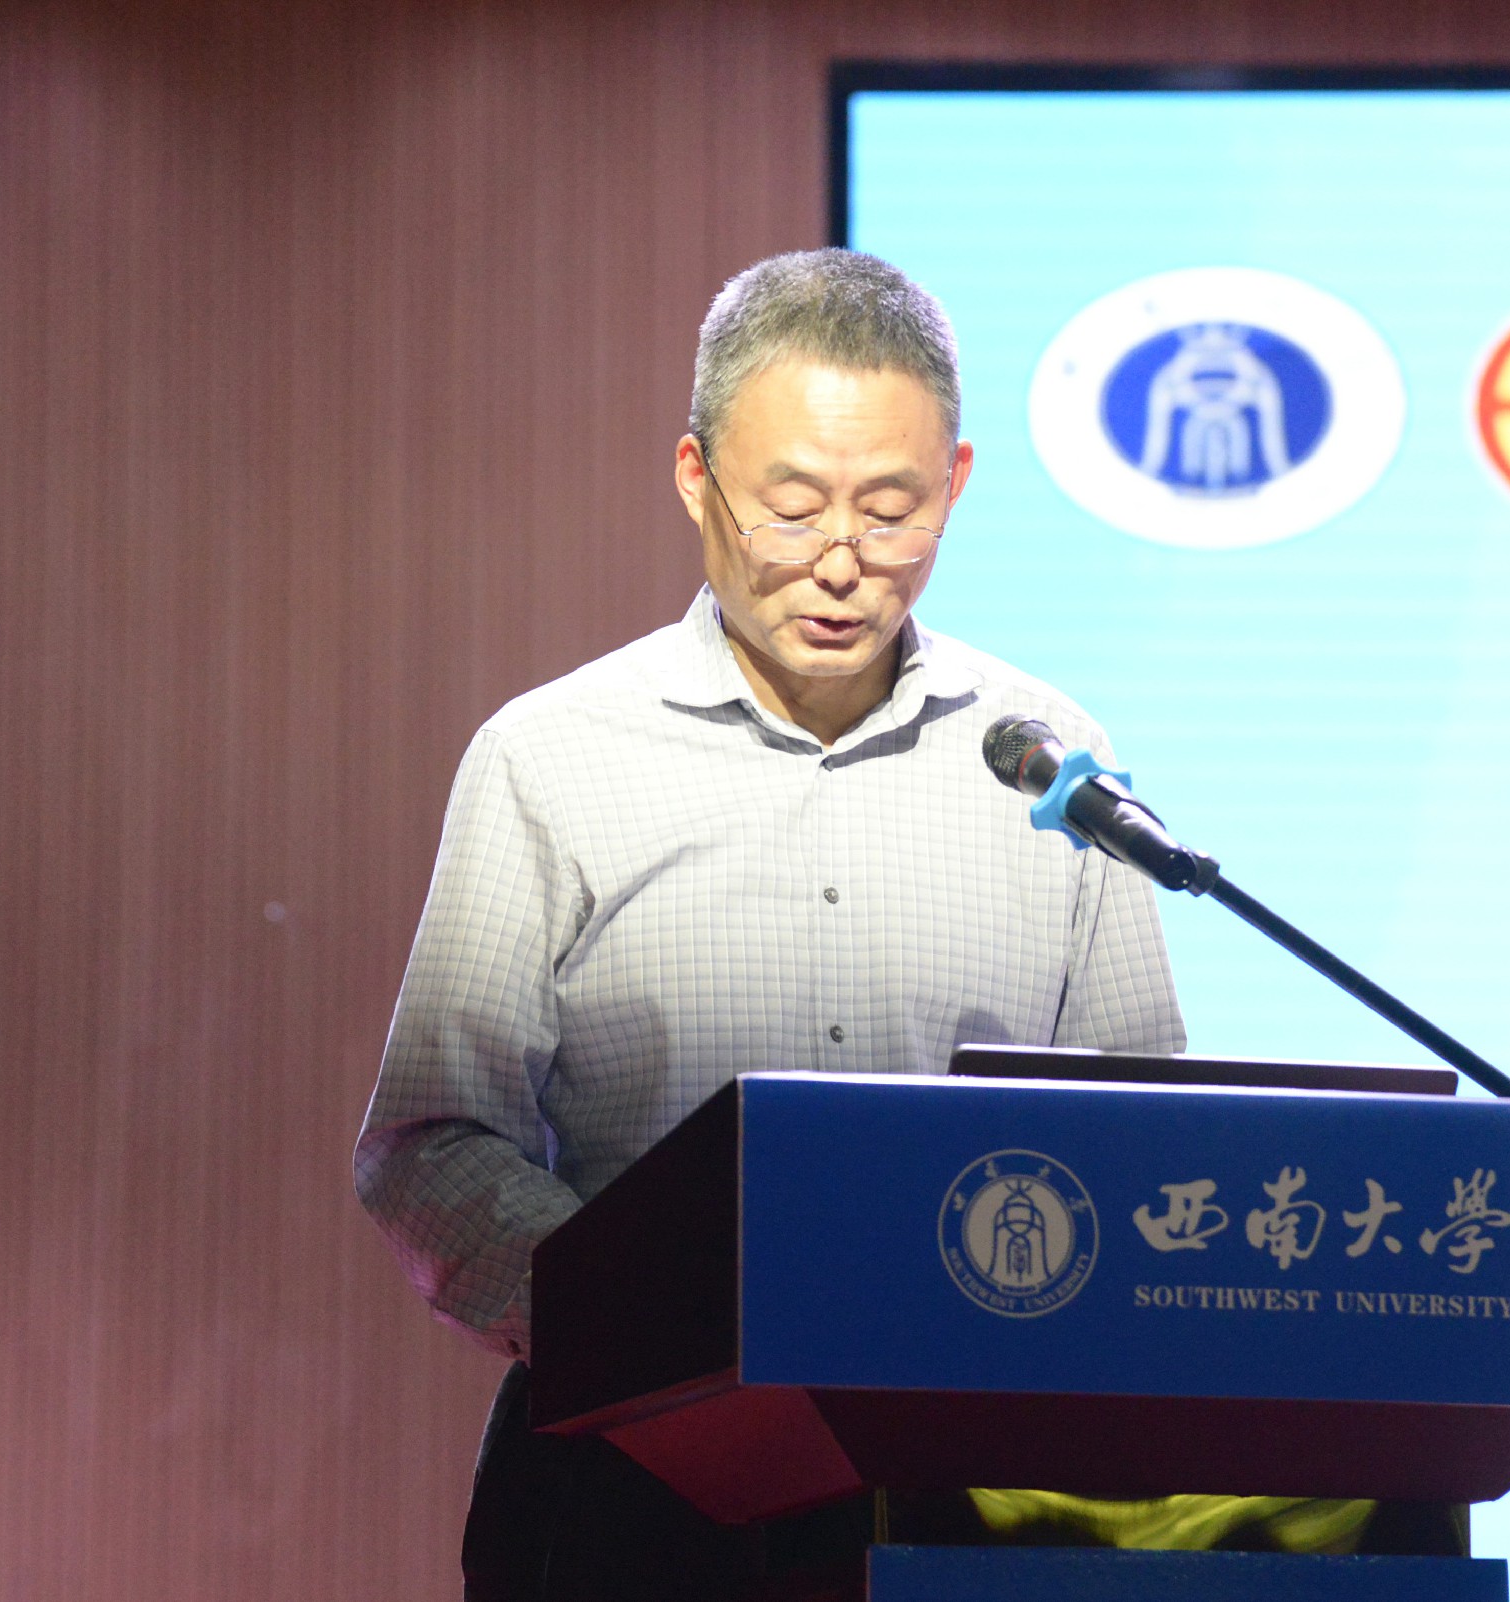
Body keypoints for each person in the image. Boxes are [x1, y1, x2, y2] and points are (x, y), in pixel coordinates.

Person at [354, 248, 1188, 1600]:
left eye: (892, 512)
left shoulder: (1048, 760)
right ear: (697, 477)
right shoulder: (552, 758)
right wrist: (649, 1316)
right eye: (791, 509)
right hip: (635, 1475)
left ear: (956, 485)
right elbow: (429, 1146)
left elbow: (1144, 1139)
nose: (842, 565)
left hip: (976, 1480)